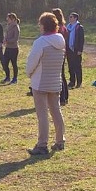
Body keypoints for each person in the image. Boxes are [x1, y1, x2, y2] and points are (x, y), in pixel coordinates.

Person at [25, 12, 66, 155]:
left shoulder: (40, 42)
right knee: (56, 111)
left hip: (40, 83)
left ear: (44, 26)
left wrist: (29, 74)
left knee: (42, 115)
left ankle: (42, 144)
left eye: (40, 24)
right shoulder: (61, 41)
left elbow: (31, 63)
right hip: (55, 82)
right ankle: (60, 141)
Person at [51, 8, 70, 106]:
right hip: (62, 53)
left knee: (60, 76)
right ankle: (65, 97)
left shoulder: (59, 28)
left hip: (59, 53)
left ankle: (62, 98)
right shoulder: (64, 27)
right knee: (62, 75)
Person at [66, 12, 86, 88]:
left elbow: (81, 40)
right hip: (69, 49)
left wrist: (80, 50)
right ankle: (72, 81)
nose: (70, 18)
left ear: (75, 18)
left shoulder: (79, 27)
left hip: (76, 50)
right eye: (69, 17)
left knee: (77, 66)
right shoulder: (68, 27)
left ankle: (79, 82)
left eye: (71, 17)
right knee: (70, 66)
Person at [2, 13, 21, 84]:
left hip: (14, 48)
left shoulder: (16, 27)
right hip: (7, 48)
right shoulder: (8, 26)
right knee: (5, 63)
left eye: (8, 18)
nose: (7, 20)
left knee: (14, 63)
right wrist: (4, 39)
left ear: (13, 19)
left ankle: (15, 78)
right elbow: (6, 35)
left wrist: (7, 41)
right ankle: (7, 77)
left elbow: (15, 39)